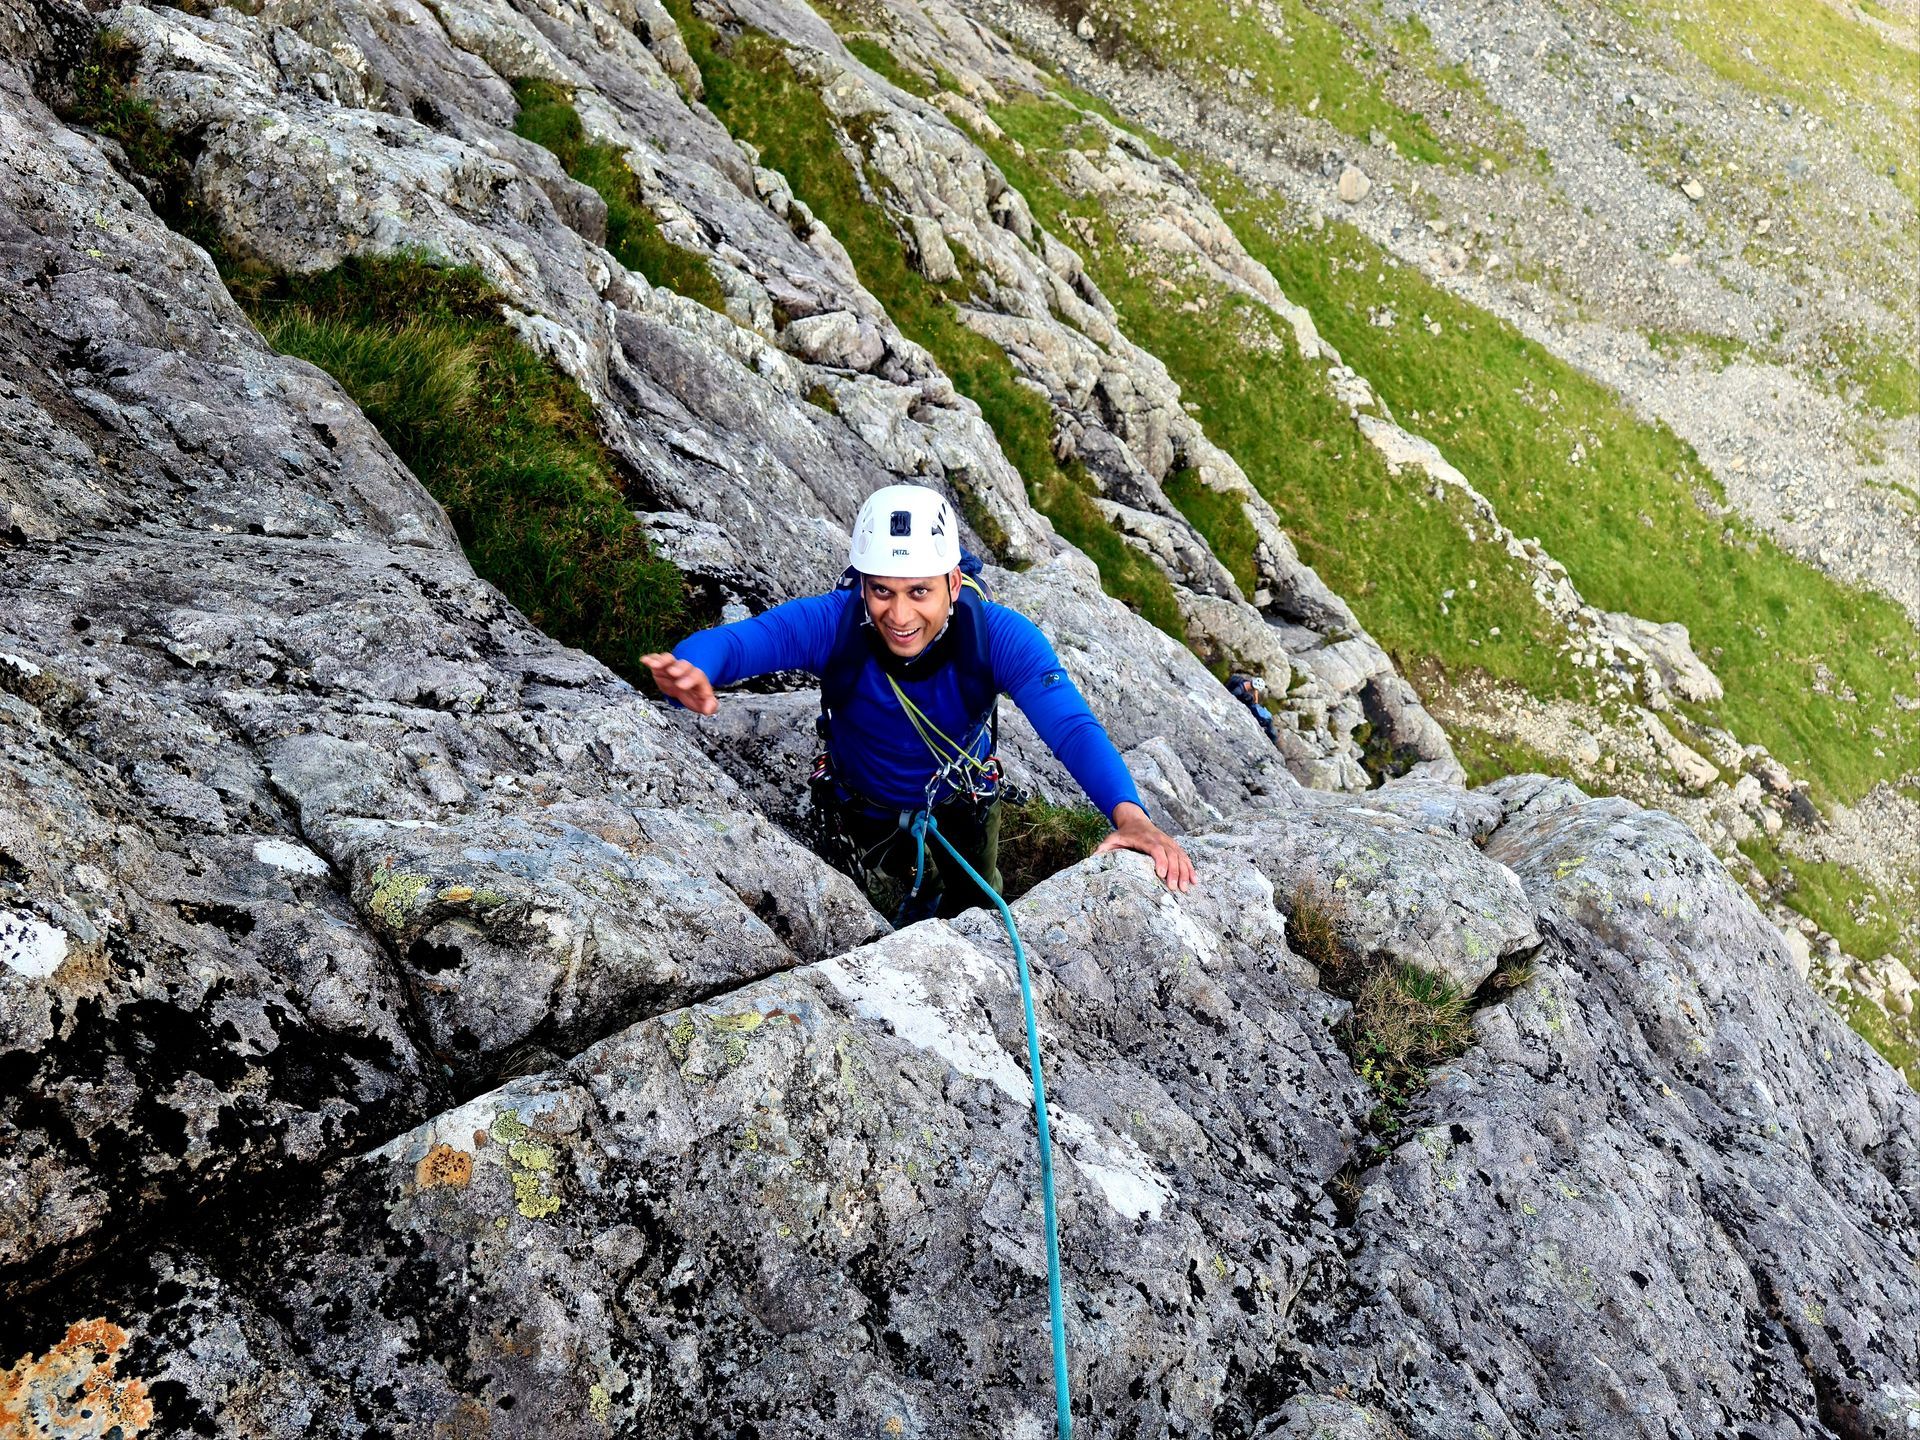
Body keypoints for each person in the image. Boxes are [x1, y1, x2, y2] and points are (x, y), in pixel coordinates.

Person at [643, 483, 1196, 920]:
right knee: (898, 913)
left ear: (954, 583)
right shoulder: (834, 624)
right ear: (861, 585)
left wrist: (1131, 816)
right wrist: (694, 665)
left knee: (981, 902)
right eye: (882, 590)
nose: (899, 616)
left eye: (919, 592)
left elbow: (1072, 726)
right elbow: (744, 642)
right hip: (867, 813)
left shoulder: (997, 638)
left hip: (966, 801)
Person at [1227, 671, 1279, 746]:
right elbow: (1232, 698)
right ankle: (1272, 740)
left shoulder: (1247, 684)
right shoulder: (1238, 691)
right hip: (1244, 703)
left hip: (1248, 703)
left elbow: (1255, 692)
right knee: (1270, 728)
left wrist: (1255, 702)